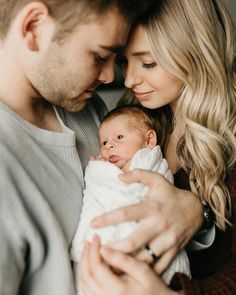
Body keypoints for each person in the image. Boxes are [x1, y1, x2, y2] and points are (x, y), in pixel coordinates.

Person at [80, 0, 236, 294]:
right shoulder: (135, 120)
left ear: (196, 51)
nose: (129, 80)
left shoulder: (230, 134)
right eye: (125, 61)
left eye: (148, 62)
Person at [0, 1, 153, 294]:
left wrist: (193, 213)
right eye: (99, 56)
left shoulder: (86, 108)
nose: (110, 76)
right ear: (33, 27)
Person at [71, 105, 190, 293]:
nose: (109, 146)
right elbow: (98, 190)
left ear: (149, 140)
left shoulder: (151, 164)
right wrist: (100, 170)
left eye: (119, 138)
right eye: (104, 142)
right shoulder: (104, 169)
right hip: (106, 243)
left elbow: (158, 193)